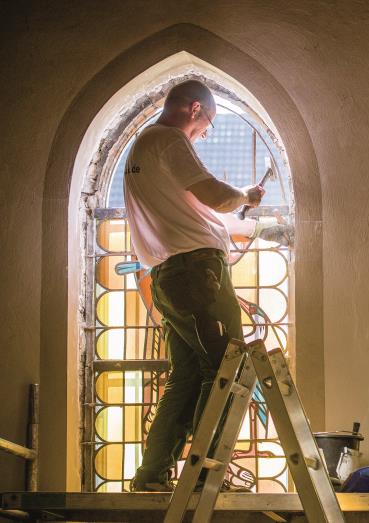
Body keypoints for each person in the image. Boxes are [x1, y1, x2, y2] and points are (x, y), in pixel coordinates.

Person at [125, 80, 268, 492]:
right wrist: (247, 194)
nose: (205, 133)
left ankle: (152, 476)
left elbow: (192, 213)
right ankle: (206, 475)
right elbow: (214, 195)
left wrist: (242, 223)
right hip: (196, 272)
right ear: (193, 109)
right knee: (229, 368)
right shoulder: (169, 140)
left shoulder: (142, 148)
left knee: (187, 376)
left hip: (170, 276)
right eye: (207, 123)